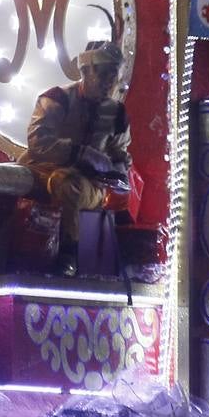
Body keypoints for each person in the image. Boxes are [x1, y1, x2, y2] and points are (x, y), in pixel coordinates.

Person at [18, 34, 132, 277]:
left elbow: (119, 153)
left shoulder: (117, 114)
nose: (108, 85)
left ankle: (68, 254)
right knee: (12, 179)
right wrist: (80, 153)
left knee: (71, 187)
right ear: (86, 71)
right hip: (41, 169)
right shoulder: (56, 99)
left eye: (113, 78)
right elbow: (38, 142)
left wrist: (120, 170)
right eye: (103, 76)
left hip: (85, 183)